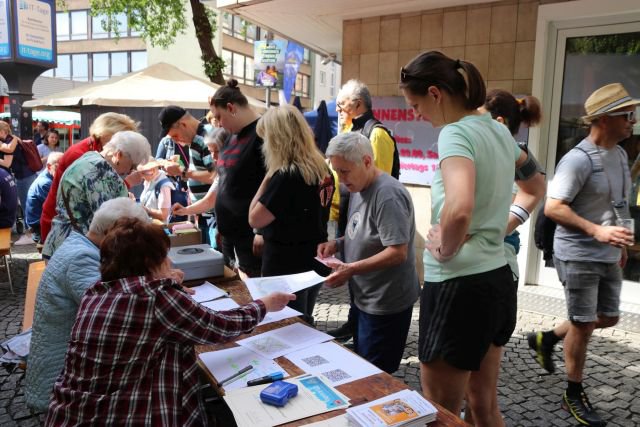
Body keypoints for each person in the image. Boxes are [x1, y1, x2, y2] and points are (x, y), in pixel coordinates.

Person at [399, 51, 544, 425]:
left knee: (442, 413)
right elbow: (535, 185)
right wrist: (500, 227)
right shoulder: (497, 129)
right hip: (496, 280)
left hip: (457, 286)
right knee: (484, 403)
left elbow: (460, 207)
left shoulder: (456, 132)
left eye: (415, 105)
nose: (416, 114)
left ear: (435, 93)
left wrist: (443, 247)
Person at [45, 217, 295, 426]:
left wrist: (166, 281)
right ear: (151, 263)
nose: (171, 262)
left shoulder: (96, 292)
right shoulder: (156, 298)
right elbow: (222, 327)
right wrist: (264, 304)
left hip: (72, 413)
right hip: (125, 415)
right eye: (164, 256)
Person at [528, 83, 638, 427]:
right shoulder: (578, 159)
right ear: (604, 120)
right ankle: (572, 394)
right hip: (577, 254)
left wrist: (618, 241)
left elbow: (617, 203)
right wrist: (597, 231)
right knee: (584, 322)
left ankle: (547, 338)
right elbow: (554, 208)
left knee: (608, 317)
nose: (633, 121)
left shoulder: (620, 155)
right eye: (627, 115)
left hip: (607, 253)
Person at [25, 198, 149, 412]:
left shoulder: (82, 245)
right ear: (113, 232)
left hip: (67, 363)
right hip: (64, 380)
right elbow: (114, 312)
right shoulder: (82, 257)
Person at [317, 132, 419, 374]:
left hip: (385, 303)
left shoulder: (387, 195)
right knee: (363, 363)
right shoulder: (358, 186)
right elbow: (363, 231)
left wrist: (351, 269)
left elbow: (397, 252)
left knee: (376, 373)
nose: (341, 180)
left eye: (344, 171)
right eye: (337, 171)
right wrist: (338, 244)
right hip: (365, 297)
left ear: (366, 161)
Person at [328, 79, 399, 342]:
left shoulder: (376, 133)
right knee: (352, 264)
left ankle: (362, 325)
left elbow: (376, 180)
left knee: (365, 268)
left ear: (357, 104)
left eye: (341, 104)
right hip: (349, 212)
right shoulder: (349, 130)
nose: (337, 109)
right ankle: (354, 322)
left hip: (367, 215)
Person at [249, 105, 334, 323]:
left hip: (285, 265)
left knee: (286, 326)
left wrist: (268, 177)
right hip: (313, 258)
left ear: (277, 139)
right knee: (303, 319)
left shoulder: (286, 175)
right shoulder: (322, 169)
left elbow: (254, 218)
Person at [42, 131, 151, 258]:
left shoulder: (90, 157)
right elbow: (110, 222)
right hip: (76, 251)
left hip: (63, 242)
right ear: (118, 155)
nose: (130, 170)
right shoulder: (101, 170)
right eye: (132, 165)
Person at [39, 112, 139, 244]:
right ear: (107, 135)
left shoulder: (93, 151)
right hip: (64, 231)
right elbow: (100, 204)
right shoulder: (81, 155)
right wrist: (126, 184)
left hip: (74, 230)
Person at [481, 90, 544, 283]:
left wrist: (496, 232)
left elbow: (535, 190)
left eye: (478, 119)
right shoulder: (484, 152)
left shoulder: (516, 156)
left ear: (499, 122)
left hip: (498, 257)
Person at [210, 79, 266, 277]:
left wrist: (261, 231)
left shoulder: (262, 134)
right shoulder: (231, 135)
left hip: (250, 237)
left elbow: (272, 184)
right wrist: (221, 224)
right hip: (230, 235)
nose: (218, 123)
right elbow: (227, 181)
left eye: (219, 117)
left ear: (231, 108)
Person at [157, 105, 215, 240]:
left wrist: (183, 172)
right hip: (204, 214)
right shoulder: (195, 139)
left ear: (183, 124)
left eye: (175, 136)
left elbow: (215, 176)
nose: (176, 141)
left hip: (213, 216)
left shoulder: (204, 138)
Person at [172, 128, 229, 248]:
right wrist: (185, 210)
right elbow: (208, 201)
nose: (213, 157)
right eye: (210, 152)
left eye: (217, 151)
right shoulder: (221, 172)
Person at [25, 152, 63, 243]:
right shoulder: (45, 183)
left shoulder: (49, 178)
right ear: (49, 166)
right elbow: (58, 208)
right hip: (39, 229)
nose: (63, 171)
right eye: (59, 168)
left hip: (42, 224)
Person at [137, 157, 176, 223]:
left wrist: (145, 210)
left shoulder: (164, 186)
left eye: (143, 173)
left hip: (158, 229)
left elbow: (163, 215)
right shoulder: (149, 180)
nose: (141, 176)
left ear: (152, 171)